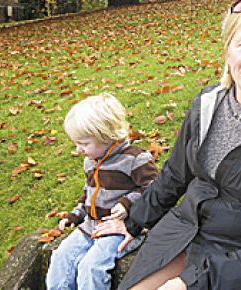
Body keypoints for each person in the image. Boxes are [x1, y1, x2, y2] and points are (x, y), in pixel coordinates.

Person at [93, 3, 241, 290]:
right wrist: (134, 221)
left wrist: (190, 283)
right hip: (182, 229)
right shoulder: (207, 103)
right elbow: (175, 174)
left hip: (235, 253)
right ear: (228, 51)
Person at [46, 93, 159, 290]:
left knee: (91, 268)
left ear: (105, 136)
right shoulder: (90, 161)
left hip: (120, 229)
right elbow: (88, 193)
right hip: (90, 226)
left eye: (83, 143)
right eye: (76, 143)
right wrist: (76, 215)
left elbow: (154, 189)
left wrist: (127, 203)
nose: (78, 149)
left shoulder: (135, 159)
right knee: (61, 258)